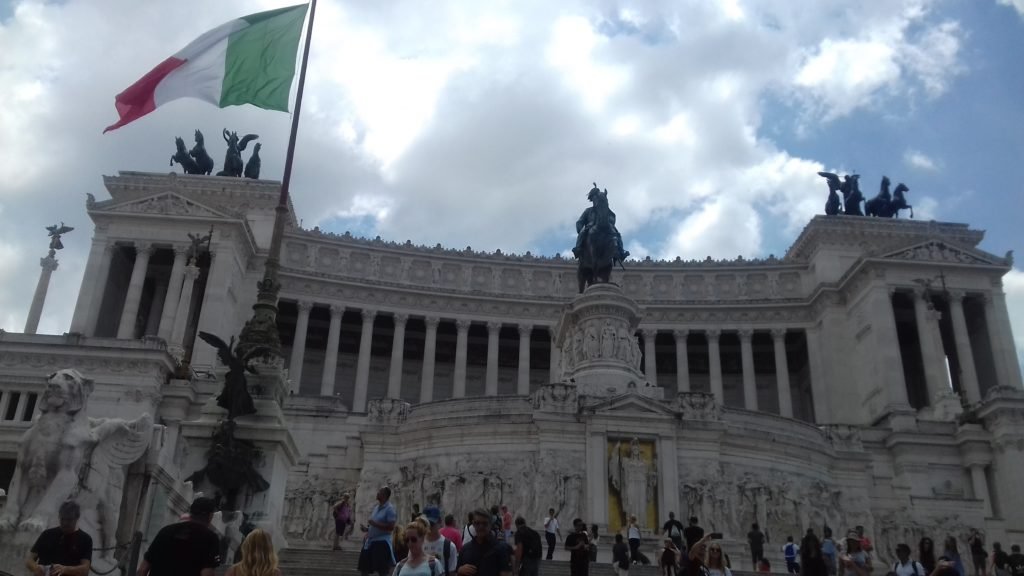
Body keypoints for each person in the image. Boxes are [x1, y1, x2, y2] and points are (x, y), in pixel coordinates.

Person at [137, 497, 221, 576]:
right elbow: (207, 573)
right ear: (210, 516)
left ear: (191, 513)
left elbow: (143, 569)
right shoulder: (210, 538)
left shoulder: (166, 531)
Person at [26, 501, 93, 576]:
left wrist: (65, 569)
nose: (65, 523)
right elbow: (29, 559)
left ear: (77, 518)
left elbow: (85, 570)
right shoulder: (47, 534)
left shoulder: (85, 539)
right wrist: (36, 568)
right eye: (62, 519)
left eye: (69, 520)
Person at [458, 508, 513, 576]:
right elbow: (457, 572)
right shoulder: (465, 549)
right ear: (473, 524)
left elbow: (507, 573)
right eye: (477, 523)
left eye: (484, 523)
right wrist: (460, 570)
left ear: (490, 524)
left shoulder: (502, 549)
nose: (481, 527)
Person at [358, 486, 398, 576]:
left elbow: (391, 527)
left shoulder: (390, 509)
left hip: (381, 542)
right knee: (364, 567)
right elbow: (375, 525)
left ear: (384, 495)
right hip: (370, 541)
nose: (377, 493)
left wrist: (375, 524)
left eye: (379, 492)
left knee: (382, 569)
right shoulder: (376, 508)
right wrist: (367, 529)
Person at [423, 507, 459, 576]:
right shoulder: (416, 543)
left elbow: (452, 573)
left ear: (439, 521)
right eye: (425, 524)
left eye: (431, 523)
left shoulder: (449, 546)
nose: (428, 527)